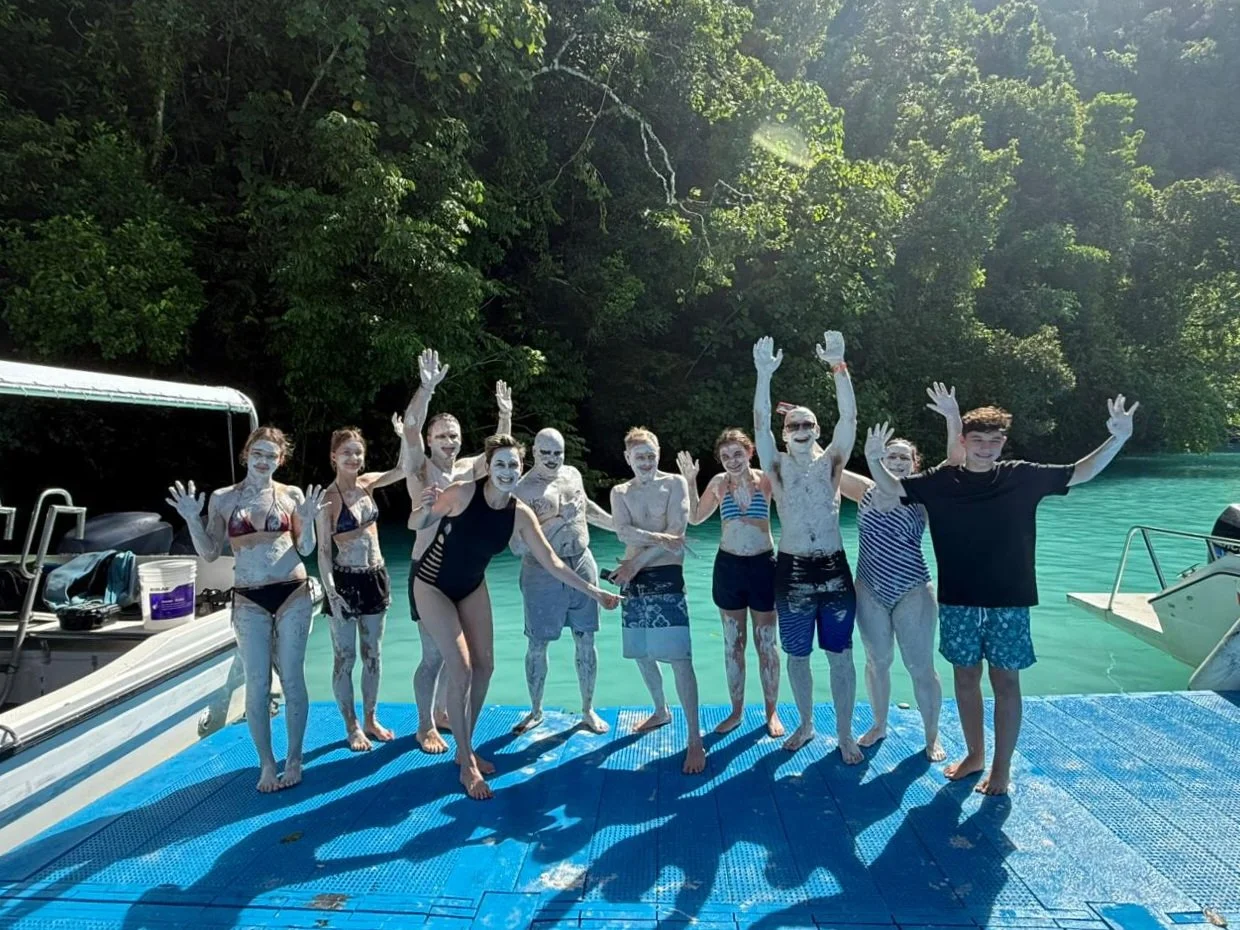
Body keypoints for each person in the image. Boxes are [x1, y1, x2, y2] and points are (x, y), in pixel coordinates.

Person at [864, 394, 1139, 794]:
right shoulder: (942, 482)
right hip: (958, 598)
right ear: (963, 440)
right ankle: (975, 755)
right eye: (978, 440)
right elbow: (892, 489)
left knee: (1006, 682)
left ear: (1003, 443)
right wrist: (873, 457)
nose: (986, 448)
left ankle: (1002, 767)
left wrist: (1118, 439)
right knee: (965, 678)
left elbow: (1080, 472)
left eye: (995, 441)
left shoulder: (1020, 476)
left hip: (1009, 599)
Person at [412, 435, 621, 800]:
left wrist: (595, 592)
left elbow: (553, 562)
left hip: (471, 586)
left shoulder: (520, 513)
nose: (508, 471)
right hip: (432, 585)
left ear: (521, 469)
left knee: (485, 666)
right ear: (489, 467)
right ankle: (467, 765)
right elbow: (418, 522)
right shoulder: (462, 493)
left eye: (514, 465)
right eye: (501, 464)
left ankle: (466, 746)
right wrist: (424, 506)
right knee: (460, 668)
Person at [167, 427, 327, 792]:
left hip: (293, 593)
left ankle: (296, 758)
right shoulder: (223, 499)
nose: (264, 461)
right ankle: (267, 765)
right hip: (249, 597)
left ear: (280, 460)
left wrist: (312, 519)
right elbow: (208, 552)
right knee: (257, 682)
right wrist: (192, 518)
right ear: (246, 454)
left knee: (292, 677)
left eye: (272, 456)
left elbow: (304, 548)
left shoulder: (291, 495)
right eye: (258, 453)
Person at [839, 383, 964, 762]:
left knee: (920, 665)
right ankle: (879, 723)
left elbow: (956, 461)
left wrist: (952, 416)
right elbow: (822, 462)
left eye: (902, 459)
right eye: (889, 457)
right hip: (869, 588)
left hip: (912, 587)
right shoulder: (862, 489)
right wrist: (798, 423)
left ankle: (931, 735)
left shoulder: (925, 492)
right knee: (877, 660)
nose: (895, 464)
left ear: (914, 464)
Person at [752, 332, 861, 760]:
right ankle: (806, 723)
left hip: (834, 570)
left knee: (841, 655)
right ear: (784, 432)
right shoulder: (775, 464)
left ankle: (846, 733)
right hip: (793, 571)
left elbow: (849, 420)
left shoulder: (832, 461)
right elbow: (759, 422)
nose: (799, 429)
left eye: (807, 424)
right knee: (797, 655)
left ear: (817, 430)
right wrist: (763, 376)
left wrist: (839, 366)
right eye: (792, 424)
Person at [397, 348, 512, 754]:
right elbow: (410, 425)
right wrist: (426, 388)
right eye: (442, 435)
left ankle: (447, 712)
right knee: (433, 656)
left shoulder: (467, 471)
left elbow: (502, 455)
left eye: (454, 435)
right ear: (430, 441)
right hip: (426, 572)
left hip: (461, 573)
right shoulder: (419, 468)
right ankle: (424, 724)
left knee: (456, 652)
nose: (449, 441)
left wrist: (504, 415)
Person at [610, 427, 706, 775]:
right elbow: (622, 532)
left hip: (661, 577)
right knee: (641, 651)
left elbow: (679, 530)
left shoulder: (675, 484)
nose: (647, 462)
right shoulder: (620, 491)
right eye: (640, 457)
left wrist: (637, 560)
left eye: (651, 456)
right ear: (628, 458)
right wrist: (661, 538)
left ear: (658, 454)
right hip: (631, 580)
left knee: (680, 658)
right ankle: (661, 709)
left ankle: (695, 737)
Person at [676, 430, 784, 738]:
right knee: (733, 644)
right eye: (725, 457)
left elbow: (790, 507)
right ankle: (736, 711)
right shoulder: (719, 483)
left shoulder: (766, 480)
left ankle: (771, 710)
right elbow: (696, 517)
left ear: (750, 452)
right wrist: (690, 480)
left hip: (764, 565)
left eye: (737, 454)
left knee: (767, 645)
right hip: (729, 567)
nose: (732, 461)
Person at [511, 428, 616, 735]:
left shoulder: (572, 475)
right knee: (538, 642)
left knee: (586, 639)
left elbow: (585, 509)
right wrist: (558, 518)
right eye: (546, 453)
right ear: (533, 452)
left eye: (558, 452)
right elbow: (517, 546)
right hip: (542, 571)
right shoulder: (522, 489)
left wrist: (616, 525)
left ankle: (587, 709)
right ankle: (535, 711)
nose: (553, 459)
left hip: (582, 561)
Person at [316, 427, 407, 751]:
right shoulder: (327, 499)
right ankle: (351, 725)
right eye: (347, 453)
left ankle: (370, 717)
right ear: (333, 457)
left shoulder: (368, 484)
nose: (354, 458)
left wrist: (405, 433)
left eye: (358, 453)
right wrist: (331, 592)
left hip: (375, 575)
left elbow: (403, 469)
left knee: (374, 654)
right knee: (345, 657)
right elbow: (324, 553)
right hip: (344, 581)